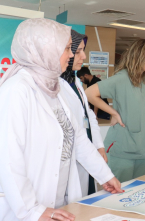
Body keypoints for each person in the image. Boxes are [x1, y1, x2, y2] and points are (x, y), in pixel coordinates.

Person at [0, 18, 122, 221]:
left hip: (56, 203)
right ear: (46, 50)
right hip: (22, 210)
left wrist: (105, 175)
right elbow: (7, 158)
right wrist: (32, 210)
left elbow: (78, 138)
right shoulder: (16, 91)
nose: (71, 55)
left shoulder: (56, 89)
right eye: (68, 48)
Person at [85, 39, 145, 183]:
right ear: (139, 55)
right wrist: (113, 112)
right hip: (122, 149)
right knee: (119, 196)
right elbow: (89, 93)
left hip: (142, 149)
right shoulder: (121, 78)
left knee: (137, 193)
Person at [60, 30, 108, 197]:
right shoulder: (55, 86)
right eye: (77, 51)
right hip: (70, 158)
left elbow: (88, 116)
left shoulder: (77, 82)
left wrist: (99, 145)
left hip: (86, 153)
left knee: (85, 196)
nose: (84, 56)